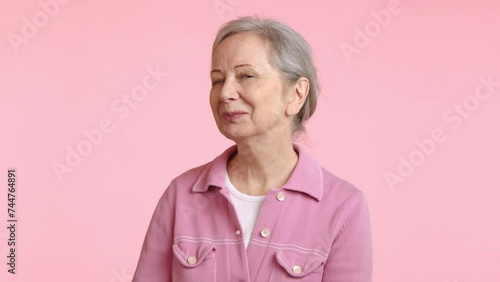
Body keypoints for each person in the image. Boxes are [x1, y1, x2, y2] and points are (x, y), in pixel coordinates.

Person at [132, 15, 372, 282]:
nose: (225, 93)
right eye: (217, 80)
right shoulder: (180, 196)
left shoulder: (343, 206)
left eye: (246, 76)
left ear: (296, 94)